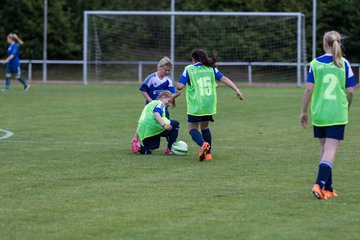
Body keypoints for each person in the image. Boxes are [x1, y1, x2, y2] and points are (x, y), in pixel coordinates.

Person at [300, 31, 356, 200]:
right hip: (336, 113)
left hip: (320, 113)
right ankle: (319, 184)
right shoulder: (343, 63)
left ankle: (329, 188)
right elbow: (351, 91)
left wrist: (303, 111)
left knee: (324, 150)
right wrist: (347, 106)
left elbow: (309, 89)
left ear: (324, 44)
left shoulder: (315, 63)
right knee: (330, 150)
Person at [176, 49, 244, 161]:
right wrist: (237, 90)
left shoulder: (189, 69)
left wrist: (175, 84)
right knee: (205, 127)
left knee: (192, 129)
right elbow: (224, 79)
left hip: (196, 104)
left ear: (193, 59)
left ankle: (203, 145)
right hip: (209, 104)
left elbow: (180, 86)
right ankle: (208, 154)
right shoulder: (211, 68)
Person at [131, 57, 179, 154]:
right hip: (152, 106)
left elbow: (170, 95)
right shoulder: (151, 78)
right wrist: (151, 101)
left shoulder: (168, 80)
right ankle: (137, 139)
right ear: (159, 67)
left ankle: (170, 147)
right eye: (165, 70)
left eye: (169, 70)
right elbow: (143, 90)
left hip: (163, 108)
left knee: (167, 125)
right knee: (145, 121)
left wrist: (175, 95)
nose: (167, 72)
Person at [135, 90, 179, 155]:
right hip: (154, 128)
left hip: (145, 133)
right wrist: (164, 125)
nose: (168, 104)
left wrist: (135, 137)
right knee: (175, 124)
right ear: (163, 97)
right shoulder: (160, 104)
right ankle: (170, 149)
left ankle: (140, 148)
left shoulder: (150, 105)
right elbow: (156, 113)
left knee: (152, 148)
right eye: (169, 101)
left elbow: (140, 122)